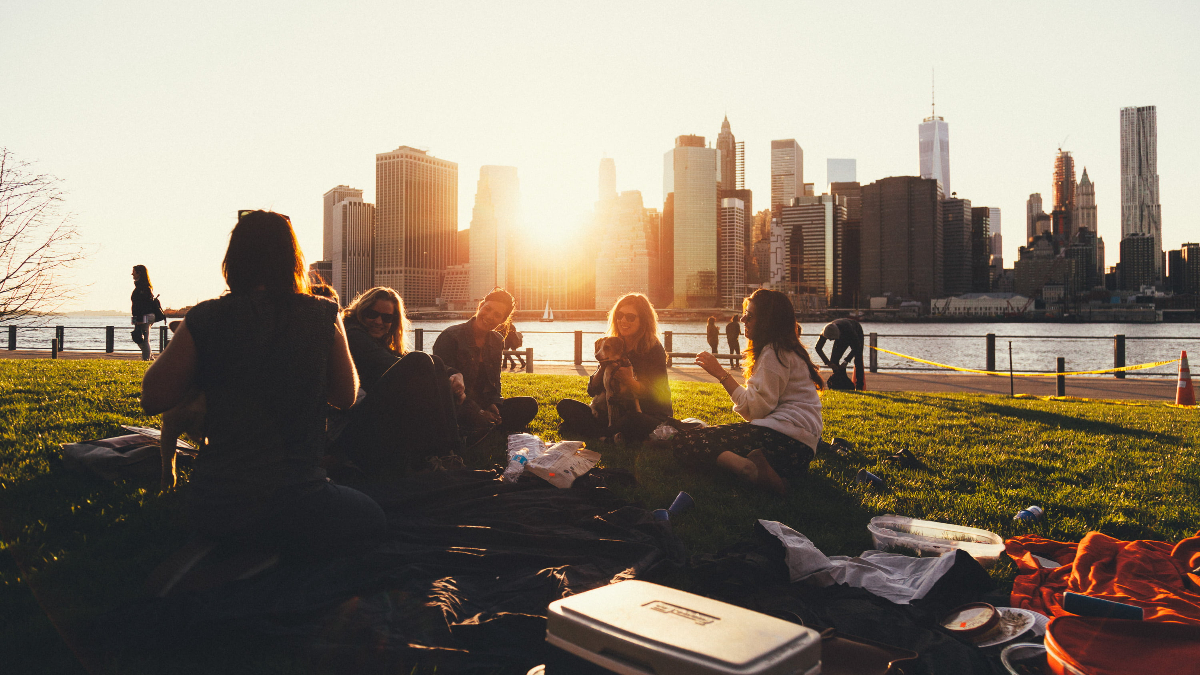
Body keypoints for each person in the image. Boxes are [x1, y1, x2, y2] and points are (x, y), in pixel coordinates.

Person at [140, 210, 385, 556]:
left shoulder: (205, 317)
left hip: (216, 503)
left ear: (233, 260)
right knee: (373, 516)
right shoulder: (324, 313)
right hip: (299, 498)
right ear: (293, 260)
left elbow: (153, 397)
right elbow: (345, 396)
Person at [671, 289, 823, 495]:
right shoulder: (787, 350)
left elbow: (755, 410)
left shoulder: (773, 353)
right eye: (744, 313)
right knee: (709, 441)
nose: (743, 319)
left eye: (749, 316)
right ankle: (767, 471)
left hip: (782, 440)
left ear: (767, 321)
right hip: (800, 452)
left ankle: (748, 470)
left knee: (687, 441)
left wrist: (720, 374)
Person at [334, 286, 465, 476]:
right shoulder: (353, 335)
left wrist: (455, 374)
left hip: (370, 419)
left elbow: (409, 359)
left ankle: (448, 452)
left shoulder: (380, 342)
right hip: (351, 427)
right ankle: (444, 451)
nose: (379, 322)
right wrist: (441, 378)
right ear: (361, 312)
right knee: (420, 361)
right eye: (372, 314)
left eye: (387, 318)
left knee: (433, 361)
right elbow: (395, 363)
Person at [556, 293, 673, 442]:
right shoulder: (612, 345)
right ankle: (609, 434)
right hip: (613, 412)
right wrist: (602, 368)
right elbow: (592, 391)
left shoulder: (653, 350)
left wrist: (630, 382)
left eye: (630, 317)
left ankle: (598, 433)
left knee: (632, 420)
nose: (623, 320)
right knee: (565, 405)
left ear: (643, 321)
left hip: (646, 414)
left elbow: (659, 394)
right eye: (619, 315)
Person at [433, 288, 538, 437]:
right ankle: (480, 427)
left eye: (497, 315)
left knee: (529, 405)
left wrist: (494, 404)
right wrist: (479, 412)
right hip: (456, 404)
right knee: (455, 413)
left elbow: (494, 382)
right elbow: (442, 383)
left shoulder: (497, 340)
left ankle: (483, 427)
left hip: (482, 403)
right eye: (487, 309)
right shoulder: (451, 336)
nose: (489, 316)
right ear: (480, 306)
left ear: (502, 321)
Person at [815, 318, 865, 391]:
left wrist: (846, 361)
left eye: (832, 339)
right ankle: (841, 382)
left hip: (856, 331)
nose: (830, 340)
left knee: (858, 359)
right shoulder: (825, 331)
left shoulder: (849, 330)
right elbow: (818, 348)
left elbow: (857, 347)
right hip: (840, 333)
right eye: (829, 338)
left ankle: (859, 386)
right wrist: (828, 363)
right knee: (834, 360)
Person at [130, 265, 157, 361]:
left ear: (139, 273)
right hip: (138, 316)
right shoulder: (140, 286)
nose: (132, 273)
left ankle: (146, 360)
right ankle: (150, 357)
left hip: (145, 315)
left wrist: (140, 319)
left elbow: (144, 305)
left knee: (144, 339)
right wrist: (135, 319)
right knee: (136, 336)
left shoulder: (144, 288)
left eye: (134, 271)